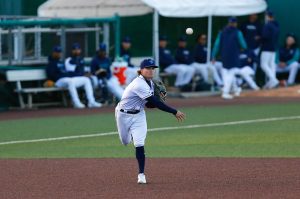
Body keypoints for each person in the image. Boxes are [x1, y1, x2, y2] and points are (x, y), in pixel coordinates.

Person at [115, 58, 185, 184]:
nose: (151, 70)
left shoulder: (151, 84)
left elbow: (149, 105)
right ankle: (130, 134)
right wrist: (174, 111)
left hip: (139, 115)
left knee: (139, 144)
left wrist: (158, 100)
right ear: (141, 70)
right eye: (148, 68)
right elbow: (155, 103)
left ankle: (141, 174)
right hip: (123, 115)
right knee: (125, 141)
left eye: (153, 68)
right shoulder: (138, 84)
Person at [212, 17, 247, 99]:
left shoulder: (222, 32)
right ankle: (225, 92)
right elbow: (244, 45)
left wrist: (213, 56)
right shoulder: (237, 32)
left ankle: (235, 89)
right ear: (235, 23)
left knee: (227, 73)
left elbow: (216, 45)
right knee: (230, 73)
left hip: (224, 56)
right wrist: (242, 48)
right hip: (234, 56)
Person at [260, 11, 280, 89]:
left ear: (268, 16)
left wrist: (259, 38)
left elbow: (265, 36)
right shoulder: (276, 25)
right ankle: (271, 83)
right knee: (271, 66)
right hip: (273, 48)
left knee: (263, 65)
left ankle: (274, 80)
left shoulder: (267, 25)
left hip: (266, 48)